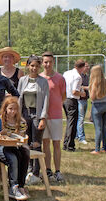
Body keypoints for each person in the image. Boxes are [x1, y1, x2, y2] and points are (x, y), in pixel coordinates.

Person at [16, 55, 50, 184]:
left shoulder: (43, 82)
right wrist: (18, 117)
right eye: (32, 65)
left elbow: (46, 99)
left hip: (37, 113)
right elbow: (19, 97)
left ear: (39, 67)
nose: (34, 68)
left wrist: (43, 117)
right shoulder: (22, 80)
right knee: (26, 142)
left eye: (36, 66)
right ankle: (28, 169)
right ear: (28, 66)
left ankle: (36, 172)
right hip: (25, 113)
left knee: (36, 143)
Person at [40, 52, 66, 182]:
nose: (47, 64)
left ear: (53, 62)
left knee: (56, 143)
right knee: (45, 143)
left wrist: (56, 106)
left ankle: (58, 171)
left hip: (56, 116)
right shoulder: (39, 78)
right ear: (42, 63)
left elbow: (63, 95)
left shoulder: (60, 78)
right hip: (43, 117)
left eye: (50, 62)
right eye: (45, 62)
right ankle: (47, 170)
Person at [0, 96, 29, 200]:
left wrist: (19, 137)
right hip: (4, 146)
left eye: (15, 109)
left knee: (25, 153)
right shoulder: (1, 120)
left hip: (16, 145)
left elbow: (21, 135)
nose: (13, 111)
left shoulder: (20, 121)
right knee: (13, 158)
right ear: (5, 109)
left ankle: (21, 185)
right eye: (10, 109)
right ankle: (13, 185)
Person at [62, 59, 86, 152]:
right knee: (72, 123)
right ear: (82, 67)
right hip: (72, 100)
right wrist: (82, 94)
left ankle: (65, 143)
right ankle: (70, 145)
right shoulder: (78, 77)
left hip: (65, 99)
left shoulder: (66, 73)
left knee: (69, 122)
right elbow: (74, 91)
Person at [89, 65, 106, 154]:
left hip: (97, 106)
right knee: (104, 128)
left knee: (98, 128)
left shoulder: (95, 83)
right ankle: (104, 148)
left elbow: (92, 98)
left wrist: (89, 91)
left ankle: (97, 149)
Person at [76, 62, 90, 144]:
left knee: (81, 118)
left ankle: (77, 135)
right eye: (86, 66)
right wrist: (86, 87)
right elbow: (77, 86)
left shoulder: (86, 76)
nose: (88, 68)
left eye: (88, 66)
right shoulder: (79, 76)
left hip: (85, 99)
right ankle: (81, 137)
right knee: (80, 118)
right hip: (80, 99)